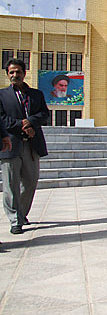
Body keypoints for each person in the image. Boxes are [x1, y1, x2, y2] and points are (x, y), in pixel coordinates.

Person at [0, 58, 49, 235]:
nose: (15, 75)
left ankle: (21, 212)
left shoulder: (36, 94)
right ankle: (15, 219)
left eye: (18, 72)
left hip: (32, 145)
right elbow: (2, 118)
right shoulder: (2, 95)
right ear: (7, 75)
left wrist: (31, 122)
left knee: (30, 182)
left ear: (24, 73)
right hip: (10, 144)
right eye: (11, 72)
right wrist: (22, 125)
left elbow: (44, 114)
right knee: (10, 184)